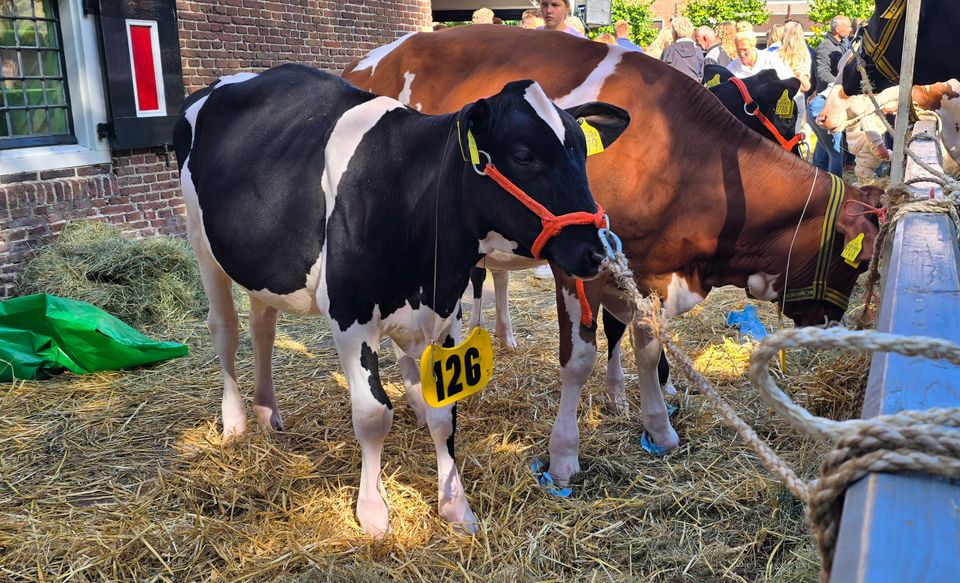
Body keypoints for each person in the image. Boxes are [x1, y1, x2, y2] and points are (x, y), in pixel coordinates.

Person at [809, 15, 853, 175]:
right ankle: (827, 178)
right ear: (837, 29)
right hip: (827, 100)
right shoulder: (826, 47)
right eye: (847, 26)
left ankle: (818, 174)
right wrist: (840, 85)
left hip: (832, 99)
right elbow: (822, 73)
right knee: (834, 150)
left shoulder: (843, 44)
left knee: (825, 144)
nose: (851, 29)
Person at [777, 21, 812, 133]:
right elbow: (805, 84)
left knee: (780, 132)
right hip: (797, 95)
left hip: (779, 96)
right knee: (795, 132)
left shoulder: (777, 52)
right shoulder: (805, 53)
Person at [727, 31, 793, 80]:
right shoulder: (732, 67)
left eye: (745, 50)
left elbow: (788, 81)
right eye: (739, 50)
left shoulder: (771, 59)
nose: (741, 54)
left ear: (753, 46)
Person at [659, 16, 704, 82]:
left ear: (675, 33)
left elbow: (660, 73)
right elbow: (700, 75)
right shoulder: (698, 50)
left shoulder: (669, 51)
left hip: (674, 86)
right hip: (693, 86)